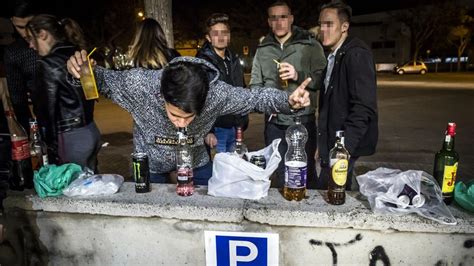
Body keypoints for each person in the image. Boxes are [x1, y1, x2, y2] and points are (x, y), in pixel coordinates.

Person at [67, 53, 312, 185]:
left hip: (196, 160)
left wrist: (288, 101)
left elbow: (254, 98)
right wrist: (78, 70)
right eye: (175, 115)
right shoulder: (139, 85)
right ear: (161, 95)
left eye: (189, 117)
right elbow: (101, 80)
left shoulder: (216, 94)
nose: (182, 123)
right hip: (151, 164)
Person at [249, 1, 326, 189]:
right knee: (281, 174)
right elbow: (255, 87)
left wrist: (297, 74)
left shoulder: (310, 45)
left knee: (304, 173)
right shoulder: (263, 50)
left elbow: (323, 79)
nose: (279, 22)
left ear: (291, 19)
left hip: (302, 122)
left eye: (283, 17)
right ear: (269, 21)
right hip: (274, 124)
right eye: (274, 18)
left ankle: (309, 215)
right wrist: (269, 104)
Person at [26, 14, 101, 172]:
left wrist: (50, 148)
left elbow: (47, 112)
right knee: (91, 187)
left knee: (75, 191)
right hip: (90, 131)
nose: (31, 45)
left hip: (69, 138)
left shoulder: (47, 64)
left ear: (43, 34)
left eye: (30, 39)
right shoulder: (77, 54)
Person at [317, 1, 378, 190]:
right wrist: (322, 144)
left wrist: (344, 151)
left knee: (332, 192)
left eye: (329, 24)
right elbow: (330, 105)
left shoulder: (356, 55)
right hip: (332, 141)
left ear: (344, 27)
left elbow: (363, 107)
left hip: (343, 146)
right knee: (332, 191)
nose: (322, 30)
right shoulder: (335, 55)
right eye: (321, 24)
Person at [196, 13, 247, 154]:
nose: (220, 37)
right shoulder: (203, 62)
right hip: (217, 129)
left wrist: (242, 120)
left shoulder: (234, 59)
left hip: (235, 127)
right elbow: (200, 98)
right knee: (218, 172)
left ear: (229, 36)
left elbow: (241, 90)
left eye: (224, 33)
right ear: (208, 37)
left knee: (234, 170)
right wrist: (208, 130)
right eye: (215, 33)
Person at [4, 1, 39, 134]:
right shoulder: (14, 53)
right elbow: (18, 99)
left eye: (30, 25)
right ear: (12, 21)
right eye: (20, 27)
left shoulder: (57, 41)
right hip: (43, 124)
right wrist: (29, 133)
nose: (26, 33)